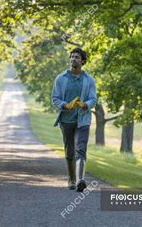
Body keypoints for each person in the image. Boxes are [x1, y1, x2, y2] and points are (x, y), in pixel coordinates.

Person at [51, 47, 97, 192]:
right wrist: (65, 105)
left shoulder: (89, 80)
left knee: (81, 149)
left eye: (77, 57)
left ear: (83, 61)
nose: (73, 59)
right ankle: (71, 179)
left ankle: (80, 180)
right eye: (72, 57)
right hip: (66, 120)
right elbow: (55, 99)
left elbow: (93, 99)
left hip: (83, 120)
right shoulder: (61, 78)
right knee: (69, 151)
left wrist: (86, 105)